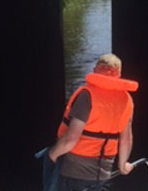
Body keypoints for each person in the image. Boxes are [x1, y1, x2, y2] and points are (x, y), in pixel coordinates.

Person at [48, 54, 139, 191]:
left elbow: (70, 139)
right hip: (103, 174)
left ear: (95, 70)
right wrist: (122, 167)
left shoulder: (87, 95)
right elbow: (126, 139)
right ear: (119, 74)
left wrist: (52, 155)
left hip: (73, 174)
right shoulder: (126, 100)